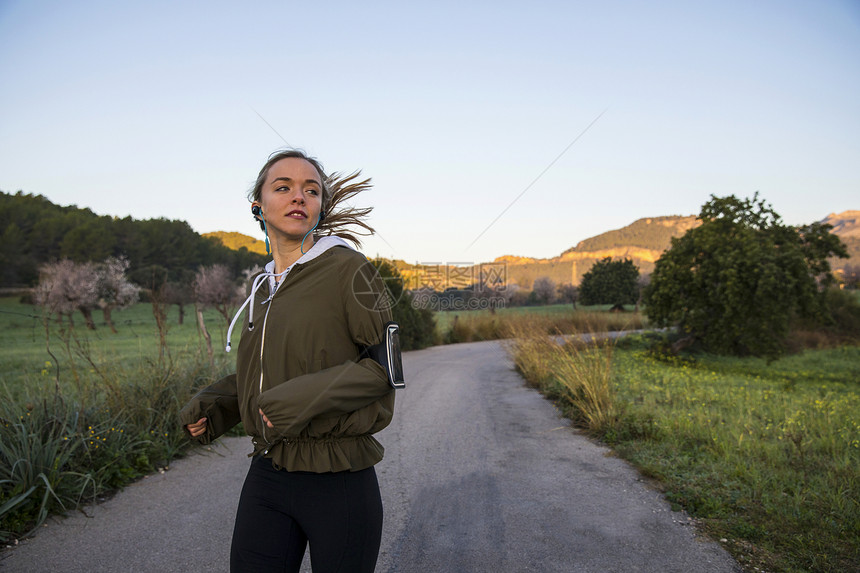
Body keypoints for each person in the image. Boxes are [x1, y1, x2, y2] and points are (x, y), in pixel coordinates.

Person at [180, 149, 396, 573]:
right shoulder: (265, 287)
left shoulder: (351, 270)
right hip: (269, 471)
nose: (299, 196)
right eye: (284, 187)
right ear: (258, 206)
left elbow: (386, 368)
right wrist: (217, 402)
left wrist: (301, 401)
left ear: (320, 207)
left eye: (311, 190)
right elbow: (266, 371)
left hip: (340, 476)